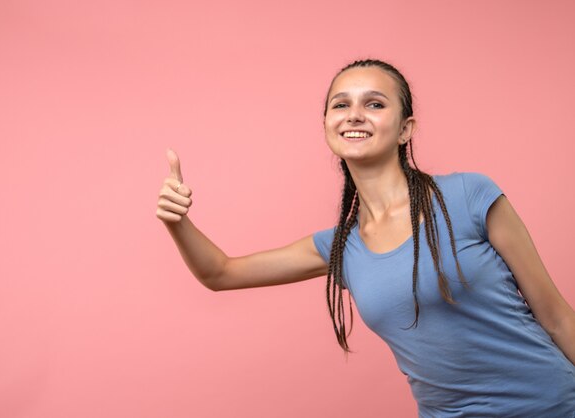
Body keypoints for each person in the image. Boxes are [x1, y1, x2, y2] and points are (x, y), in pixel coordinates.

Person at [156, 59, 575, 417]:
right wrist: (179, 222)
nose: (354, 115)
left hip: (553, 405)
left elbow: (555, 315)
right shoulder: (340, 247)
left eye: (374, 104)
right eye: (341, 105)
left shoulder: (469, 195)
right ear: (326, 125)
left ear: (405, 128)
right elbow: (221, 272)